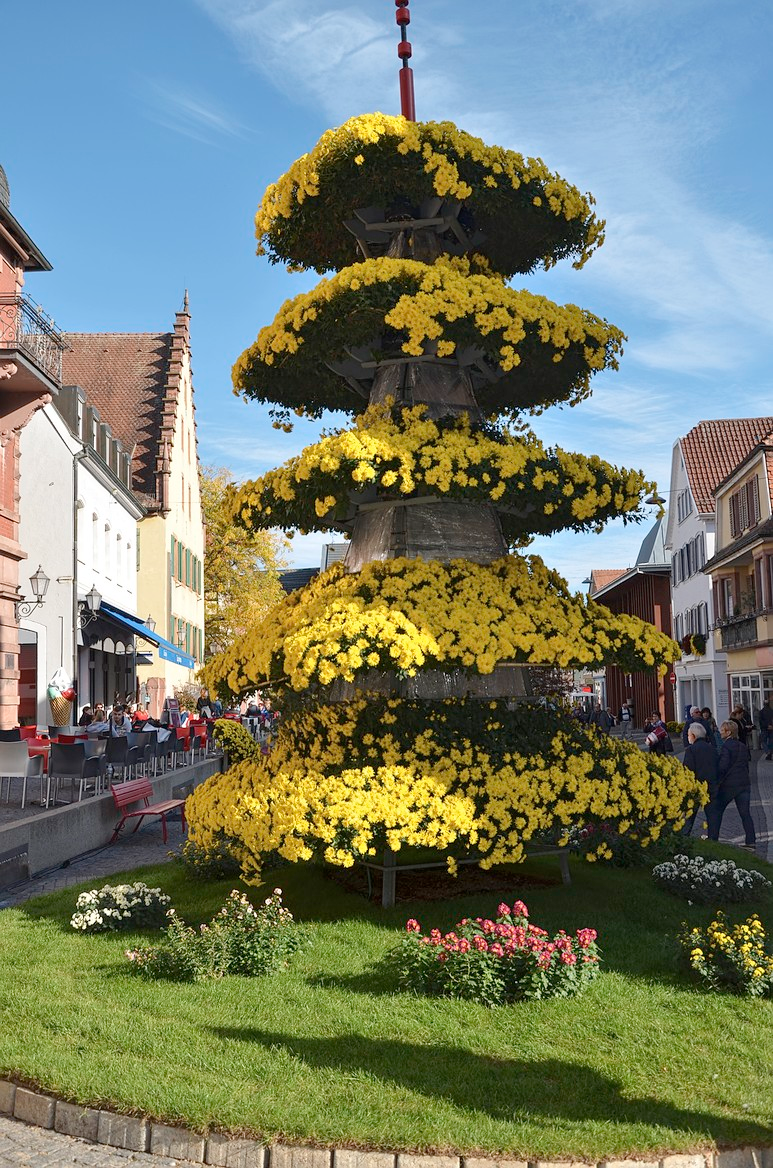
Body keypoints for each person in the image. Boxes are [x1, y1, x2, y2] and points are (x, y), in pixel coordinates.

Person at [709, 720, 755, 849]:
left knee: (717, 809)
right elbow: (746, 765)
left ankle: (713, 838)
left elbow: (723, 767)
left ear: (728, 732)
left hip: (729, 785)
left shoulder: (726, 747)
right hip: (744, 783)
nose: (720, 732)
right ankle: (751, 842)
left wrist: (716, 777)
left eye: (722, 730)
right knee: (745, 814)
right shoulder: (742, 746)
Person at [681, 722, 717, 835]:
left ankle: (684, 836)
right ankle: (713, 838)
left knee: (689, 815)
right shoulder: (711, 748)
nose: (687, 737)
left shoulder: (691, 750)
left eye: (688, 735)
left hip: (696, 788)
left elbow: (687, 770)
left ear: (693, 736)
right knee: (712, 815)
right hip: (711, 785)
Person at [759, 695, 773, 760]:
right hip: (771, 729)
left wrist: (767, 725)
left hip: (764, 728)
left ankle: (768, 752)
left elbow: (761, 721)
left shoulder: (761, 712)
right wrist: (771, 726)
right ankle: (770, 751)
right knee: (771, 741)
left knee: (763, 741)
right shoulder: (771, 711)